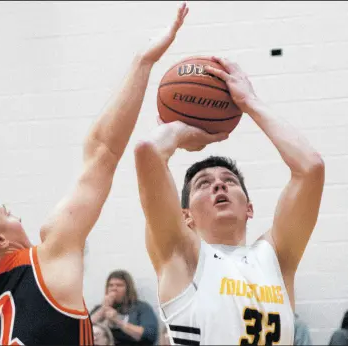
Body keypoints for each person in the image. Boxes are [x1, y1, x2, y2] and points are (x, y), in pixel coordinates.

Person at [0, 3, 189, 345]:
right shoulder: (43, 266)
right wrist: (144, 60)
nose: (18, 217)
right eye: (7, 214)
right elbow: (102, 152)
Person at [134, 53, 325, 344]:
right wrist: (180, 131)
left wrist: (250, 102)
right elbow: (148, 150)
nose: (219, 186)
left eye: (229, 181)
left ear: (249, 208)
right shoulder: (181, 255)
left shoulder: (276, 257)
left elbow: (310, 168)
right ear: (185, 215)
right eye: (204, 183)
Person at [91, 270, 158, 345]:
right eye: (110, 285)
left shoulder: (141, 308)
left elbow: (149, 335)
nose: (114, 288)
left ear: (128, 289)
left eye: (119, 285)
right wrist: (103, 309)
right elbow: (81, 330)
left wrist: (118, 321)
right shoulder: (99, 309)